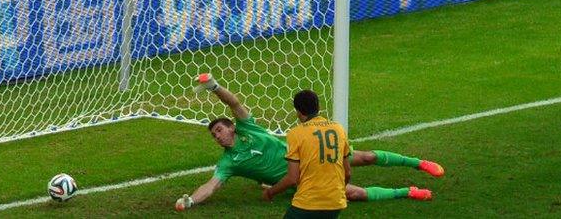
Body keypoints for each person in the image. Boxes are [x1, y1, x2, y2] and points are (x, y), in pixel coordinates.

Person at [175, 75, 440, 212]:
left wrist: (213, 86)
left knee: (367, 157)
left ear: (232, 127)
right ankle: (407, 191)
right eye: (214, 135)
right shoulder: (229, 163)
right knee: (354, 194)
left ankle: (419, 163)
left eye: (220, 129)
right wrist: (190, 201)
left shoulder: (248, 126)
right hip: (305, 180)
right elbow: (210, 187)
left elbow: (233, 103)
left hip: (311, 154)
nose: (218, 135)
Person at [265, 90, 351, 218]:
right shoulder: (339, 129)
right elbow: (348, 172)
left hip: (308, 203)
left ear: (298, 111)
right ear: (318, 107)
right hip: (336, 202)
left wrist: (270, 192)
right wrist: (336, 192)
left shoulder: (296, 134)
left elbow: (292, 179)